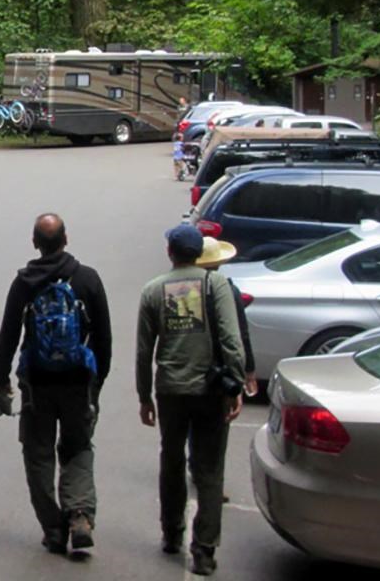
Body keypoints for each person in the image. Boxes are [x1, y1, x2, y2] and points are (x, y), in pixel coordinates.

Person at [0, 214, 113, 555]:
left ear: (34, 242)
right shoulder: (87, 279)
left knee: (38, 454)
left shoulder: (25, 283)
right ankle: (79, 516)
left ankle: (54, 529)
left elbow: (9, 336)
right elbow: (103, 338)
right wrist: (97, 383)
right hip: (78, 382)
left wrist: (2, 382)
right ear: (66, 239)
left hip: (37, 385)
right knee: (78, 449)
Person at [136, 224, 245, 576]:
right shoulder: (217, 286)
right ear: (199, 254)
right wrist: (236, 384)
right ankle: (204, 549)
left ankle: (172, 532)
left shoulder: (153, 290)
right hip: (210, 390)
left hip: (170, 389)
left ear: (171, 252)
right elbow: (231, 339)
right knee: (210, 469)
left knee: (171, 459)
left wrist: (144, 395)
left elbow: (143, 351)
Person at [193, 236, 258, 397]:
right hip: (218, 372)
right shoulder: (227, 290)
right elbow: (240, 334)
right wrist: (247, 371)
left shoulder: (181, 290)